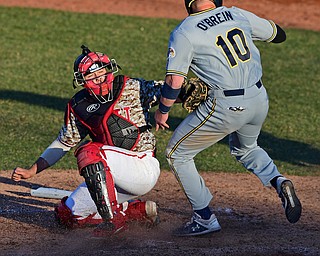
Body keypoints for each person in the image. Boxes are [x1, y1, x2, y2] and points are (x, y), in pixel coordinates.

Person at [154, 0, 302, 236]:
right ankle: (278, 180)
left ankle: (204, 218)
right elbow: (278, 35)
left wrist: (163, 111)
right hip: (259, 98)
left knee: (177, 153)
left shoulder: (185, 31)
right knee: (246, 148)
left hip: (227, 105)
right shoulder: (236, 14)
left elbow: (174, 82)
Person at [12, 45, 164, 236]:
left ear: (109, 69)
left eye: (101, 71)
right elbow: (64, 142)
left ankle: (113, 220)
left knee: (89, 151)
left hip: (142, 166)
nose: (99, 77)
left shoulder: (131, 86)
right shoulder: (80, 105)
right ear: (82, 80)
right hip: (113, 177)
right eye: (91, 75)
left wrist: (184, 92)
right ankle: (136, 211)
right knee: (67, 216)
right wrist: (32, 170)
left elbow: (167, 90)